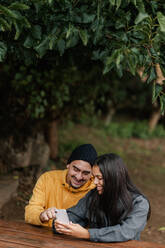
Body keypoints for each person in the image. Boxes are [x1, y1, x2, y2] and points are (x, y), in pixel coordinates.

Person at [53, 153, 151, 242]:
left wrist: (87, 234)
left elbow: (125, 232)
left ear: (114, 178)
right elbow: (74, 216)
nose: (95, 182)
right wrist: (60, 223)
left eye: (99, 178)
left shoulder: (139, 203)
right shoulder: (93, 195)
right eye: (94, 177)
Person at [25, 144, 97, 227]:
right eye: (76, 169)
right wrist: (41, 215)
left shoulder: (95, 190)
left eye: (85, 173)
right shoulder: (48, 179)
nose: (78, 177)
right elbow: (30, 211)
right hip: (44, 234)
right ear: (68, 165)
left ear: (92, 173)